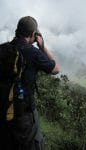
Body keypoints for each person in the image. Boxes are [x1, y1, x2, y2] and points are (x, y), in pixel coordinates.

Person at [0, 16, 60, 150]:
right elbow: (56, 69)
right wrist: (42, 46)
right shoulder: (33, 53)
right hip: (24, 116)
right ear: (33, 34)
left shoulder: (3, 49)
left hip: (3, 111)